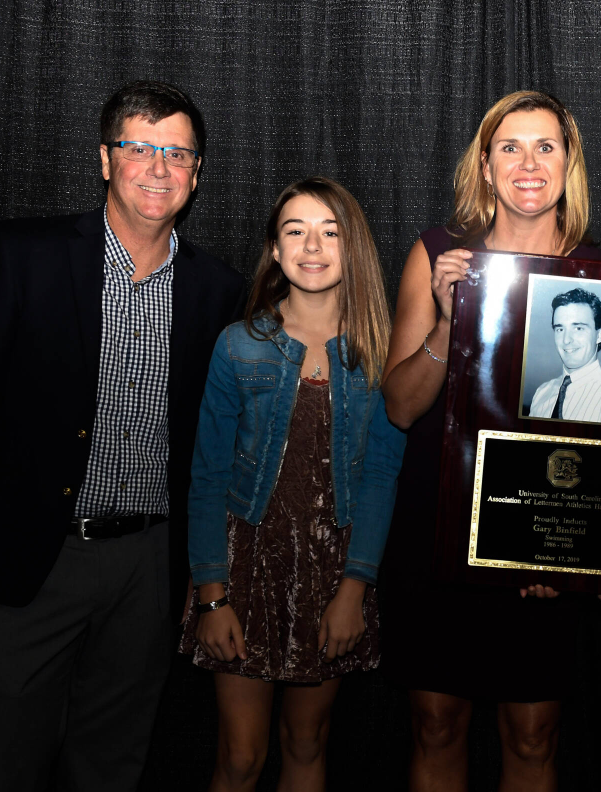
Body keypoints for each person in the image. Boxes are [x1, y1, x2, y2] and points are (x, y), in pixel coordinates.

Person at [0, 81, 245, 790]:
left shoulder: (216, 289)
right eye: (139, 148)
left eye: (177, 153)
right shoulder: (27, 255)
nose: (158, 167)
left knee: (114, 760)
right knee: (3, 758)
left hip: (148, 568)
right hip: (29, 557)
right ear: (106, 160)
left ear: (197, 174)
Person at [380, 90, 601, 792]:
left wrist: (568, 549)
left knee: (533, 733)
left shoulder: (598, 274)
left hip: (540, 534)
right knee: (437, 724)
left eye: (546, 146)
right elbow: (398, 406)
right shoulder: (438, 255)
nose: (528, 162)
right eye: (510, 147)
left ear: (568, 163)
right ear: (485, 165)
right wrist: (449, 325)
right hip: (439, 526)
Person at [180, 176, 405, 791]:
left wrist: (354, 590)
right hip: (243, 570)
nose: (312, 245)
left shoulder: (380, 355)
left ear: (351, 247)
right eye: (295, 230)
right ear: (275, 251)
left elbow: (383, 476)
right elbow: (207, 479)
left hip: (335, 574)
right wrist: (212, 596)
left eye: (330, 231)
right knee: (241, 757)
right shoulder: (238, 346)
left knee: (306, 743)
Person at [528, 287, 601, 423]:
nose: (566, 340)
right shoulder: (541, 393)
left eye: (578, 328)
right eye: (560, 329)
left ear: (599, 335)